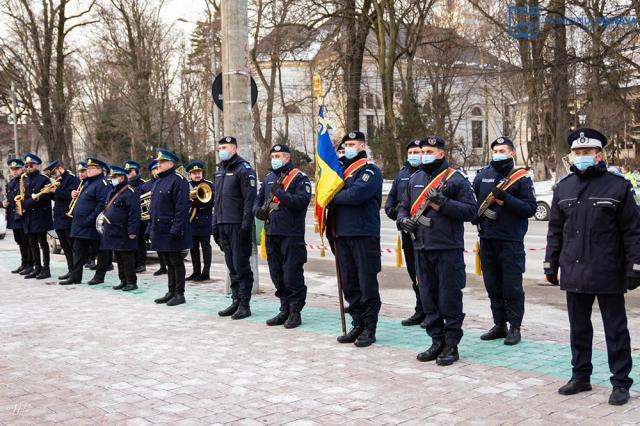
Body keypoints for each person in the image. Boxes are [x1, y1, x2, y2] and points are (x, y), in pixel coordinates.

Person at [544, 128, 640, 406]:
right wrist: (551, 262)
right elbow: (556, 231)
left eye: (587, 152)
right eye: (577, 152)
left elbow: (633, 231)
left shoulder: (618, 186)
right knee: (579, 328)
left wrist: (635, 265)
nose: (582, 156)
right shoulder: (564, 187)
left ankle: (620, 382)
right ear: (571, 155)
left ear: (599, 154)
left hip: (608, 269)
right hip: (574, 269)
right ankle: (581, 375)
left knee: (615, 329)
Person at [396, 136, 476, 366]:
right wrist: (403, 220)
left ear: (441, 153)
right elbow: (403, 205)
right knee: (428, 297)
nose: (424, 155)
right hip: (420, 247)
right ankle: (436, 340)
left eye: (429, 151)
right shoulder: (415, 178)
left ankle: (451, 344)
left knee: (449, 296)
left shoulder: (456, 179)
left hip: (447, 248)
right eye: (422, 151)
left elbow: (470, 211)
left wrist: (443, 202)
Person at [472, 137, 536, 345]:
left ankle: (515, 327)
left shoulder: (521, 178)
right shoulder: (483, 176)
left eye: (502, 150)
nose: (498, 153)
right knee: (493, 285)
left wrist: (505, 199)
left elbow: (529, 209)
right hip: (487, 239)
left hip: (510, 241)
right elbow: (473, 201)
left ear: (512, 154)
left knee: (512, 287)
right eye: (495, 150)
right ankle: (499, 324)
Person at [327, 131, 383, 347]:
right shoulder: (340, 172)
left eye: (352, 144)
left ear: (362, 146)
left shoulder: (370, 171)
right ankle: (357, 323)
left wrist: (331, 196)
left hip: (363, 234)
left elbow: (356, 195)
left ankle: (370, 327)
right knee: (349, 284)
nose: (348, 147)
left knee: (366, 283)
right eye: (345, 144)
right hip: (341, 234)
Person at [254, 144, 311, 329]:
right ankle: (284, 308)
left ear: (287, 157)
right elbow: (259, 199)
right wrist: (258, 211)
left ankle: (295, 311)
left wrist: (280, 194)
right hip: (271, 232)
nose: (275, 159)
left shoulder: (299, 178)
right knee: (276, 274)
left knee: (292, 274)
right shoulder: (269, 177)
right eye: (273, 156)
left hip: (291, 234)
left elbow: (301, 202)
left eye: (279, 156)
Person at [213, 136, 257, 320]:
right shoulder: (220, 170)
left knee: (241, 266)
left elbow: (250, 201)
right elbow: (217, 200)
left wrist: (246, 226)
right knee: (231, 266)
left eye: (224, 147)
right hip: (223, 223)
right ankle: (235, 300)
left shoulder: (244, 169)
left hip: (238, 225)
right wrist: (215, 224)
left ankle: (245, 304)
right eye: (219, 147)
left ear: (234, 149)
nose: (221, 150)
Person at [385, 139, 424, 326]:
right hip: (406, 230)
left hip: (425, 232)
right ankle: (420, 308)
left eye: (417, 152)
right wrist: (395, 213)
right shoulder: (402, 174)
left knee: (426, 274)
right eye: (411, 153)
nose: (414, 156)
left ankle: (431, 310)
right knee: (413, 272)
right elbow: (392, 199)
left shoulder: (429, 174)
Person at [150, 149, 192, 306]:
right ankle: (171, 291)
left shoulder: (178, 180)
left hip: (173, 229)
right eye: (158, 162)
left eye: (161, 162)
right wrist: (151, 228)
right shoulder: (158, 181)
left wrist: (176, 229)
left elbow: (181, 208)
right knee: (168, 261)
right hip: (160, 229)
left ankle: (179, 294)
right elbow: (155, 208)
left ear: (170, 164)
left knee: (176, 262)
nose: (158, 164)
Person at [60, 158, 111, 285]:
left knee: (101, 251)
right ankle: (75, 277)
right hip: (80, 225)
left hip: (92, 225)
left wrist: (90, 219)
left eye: (91, 168)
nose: (88, 170)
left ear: (99, 170)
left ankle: (99, 276)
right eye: (87, 168)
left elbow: (101, 205)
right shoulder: (87, 183)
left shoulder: (102, 184)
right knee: (78, 250)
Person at [101, 166, 141, 291]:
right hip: (114, 230)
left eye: (114, 177)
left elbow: (134, 213)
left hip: (125, 231)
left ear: (122, 177)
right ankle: (123, 280)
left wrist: (132, 231)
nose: (112, 179)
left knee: (127, 257)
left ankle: (131, 282)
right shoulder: (112, 192)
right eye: (111, 177)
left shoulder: (130, 192)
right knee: (118, 257)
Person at [44, 160, 81, 280]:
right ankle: (70, 270)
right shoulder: (58, 181)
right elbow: (57, 198)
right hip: (59, 218)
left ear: (60, 168)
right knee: (65, 247)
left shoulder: (72, 179)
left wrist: (56, 191)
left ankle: (75, 273)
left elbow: (72, 196)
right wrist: (49, 193)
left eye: (54, 172)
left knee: (72, 247)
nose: (54, 176)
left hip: (68, 218)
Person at [21, 153, 53, 279]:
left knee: (42, 243)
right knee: (32, 243)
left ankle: (46, 269)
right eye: (27, 165)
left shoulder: (44, 179)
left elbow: (46, 197)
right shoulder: (26, 179)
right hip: (29, 216)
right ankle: (37, 267)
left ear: (38, 166)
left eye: (31, 165)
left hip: (40, 216)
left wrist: (27, 203)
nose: (28, 167)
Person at [185, 161, 214, 281]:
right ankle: (196, 271)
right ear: (190, 175)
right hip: (191, 221)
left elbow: (211, 202)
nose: (197, 175)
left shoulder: (209, 185)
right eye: (194, 173)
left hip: (204, 221)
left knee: (206, 247)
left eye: (199, 172)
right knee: (193, 248)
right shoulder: (186, 186)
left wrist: (195, 203)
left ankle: (206, 272)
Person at [4, 159, 32, 274]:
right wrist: (4, 203)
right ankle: (24, 263)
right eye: (12, 169)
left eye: (16, 169)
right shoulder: (10, 182)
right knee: (19, 241)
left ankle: (30, 264)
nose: (14, 172)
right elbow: (10, 199)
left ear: (21, 169)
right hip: (13, 216)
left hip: (22, 216)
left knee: (26, 241)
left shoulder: (25, 180)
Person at [142, 159, 167, 276]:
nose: (156, 171)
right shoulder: (146, 185)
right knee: (156, 243)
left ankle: (167, 265)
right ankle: (162, 266)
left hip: (164, 216)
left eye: (157, 168)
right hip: (150, 218)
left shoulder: (166, 181)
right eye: (154, 169)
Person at [123, 160, 147, 273]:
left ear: (136, 171)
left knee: (140, 241)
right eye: (126, 171)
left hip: (140, 218)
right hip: (127, 216)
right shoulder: (124, 184)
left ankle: (141, 263)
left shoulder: (142, 184)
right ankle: (133, 263)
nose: (127, 173)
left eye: (129, 171)